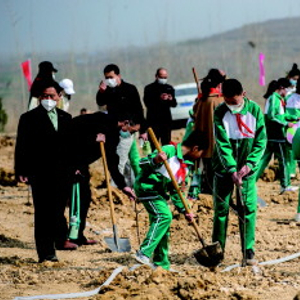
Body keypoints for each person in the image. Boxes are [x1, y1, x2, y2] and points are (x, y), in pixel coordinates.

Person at [15, 81, 77, 263]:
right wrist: (21, 169)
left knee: (57, 211)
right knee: (43, 213)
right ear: (40, 97)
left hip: (62, 173)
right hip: (40, 173)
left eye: (52, 96)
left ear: (59, 97)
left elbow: (71, 147)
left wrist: (75, 168)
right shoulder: (28, 118)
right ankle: (46, 252)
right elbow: (21, 146)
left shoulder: (66, 118)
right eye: (45, 96)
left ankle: (58, 240)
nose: (49, 100)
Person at [133, 130, 208, 270]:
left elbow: (176, 191)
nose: (200, 156)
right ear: (196, 148)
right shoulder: (169, 150)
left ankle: (161, 263)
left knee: (163, 226)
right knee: (164, 216)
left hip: (159, 193)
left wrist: (186, 210)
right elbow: (141, 162)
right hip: (146, 188)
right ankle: (143, 252)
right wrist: (156, 160)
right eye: (201, 153)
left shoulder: (183, 167)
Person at [212, 79, 266, 265]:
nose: (231, 106)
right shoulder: (219, 112)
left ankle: (248, 250)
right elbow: (221, 143)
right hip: (223, 170)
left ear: (243, 94)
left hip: (247, 170)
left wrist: (249, 165)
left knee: (248, 208)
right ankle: (218, 250)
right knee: (221, 210)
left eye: (234, 102)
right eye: (227, 101)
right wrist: (231, 169)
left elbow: (261, 141)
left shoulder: (255, 110)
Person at [69, 112, 137, 245]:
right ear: (126, 123)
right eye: (133, 130)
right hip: (66, 159)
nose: (131, 134)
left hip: (81, 164)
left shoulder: (113, 135)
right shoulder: (96, 120)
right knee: (71, 199)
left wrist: (123, 186)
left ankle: (77, 236)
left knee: (84, 197)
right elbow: (71, 137)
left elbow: (112, 161)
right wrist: (92, 139)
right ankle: (62, 238)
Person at [96, 64, 147, 186]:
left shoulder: (130, 89)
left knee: (120, 160)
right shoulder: (107, 91)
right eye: (106, 78)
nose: (109, 80)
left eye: (111, 77)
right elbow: (100, 102)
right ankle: (130, 185)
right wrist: (101, 92)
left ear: (118, 76)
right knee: (127, 161)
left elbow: (139, 110)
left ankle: (115, 186)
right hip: (113, 129)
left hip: (127, 129)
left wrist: (142, 129)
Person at [256, 78, 299, 194]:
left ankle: (250, 181)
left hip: (272, 135)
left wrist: (292, 118)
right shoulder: (275, 99)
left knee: (264, 159)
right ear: (281, 88)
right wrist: (286, 123)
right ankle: (285, 185)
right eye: (287, 89)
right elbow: (272, 116)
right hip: (276, 135)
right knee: (283, 161)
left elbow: (281, 115)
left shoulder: (277, 99)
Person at [193, 68, 226, 194]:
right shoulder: (218, 100)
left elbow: (194, 113)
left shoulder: (201, 99)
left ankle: (207, 190)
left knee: (207, 170)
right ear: (219, 84)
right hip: (215, 142)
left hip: (202, 142)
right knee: (217, 172)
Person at [143, 68, 177, 150]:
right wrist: (159, 98)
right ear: (156, 76)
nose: (163, 79)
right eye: (162, 77)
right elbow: (147, 103)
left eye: (165, 77)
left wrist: (170, 99)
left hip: (166, 121)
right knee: (154, 145)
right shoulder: (149, 88)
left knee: (166, 145)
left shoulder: (169, 88)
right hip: (153, 121)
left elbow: (174, 104)